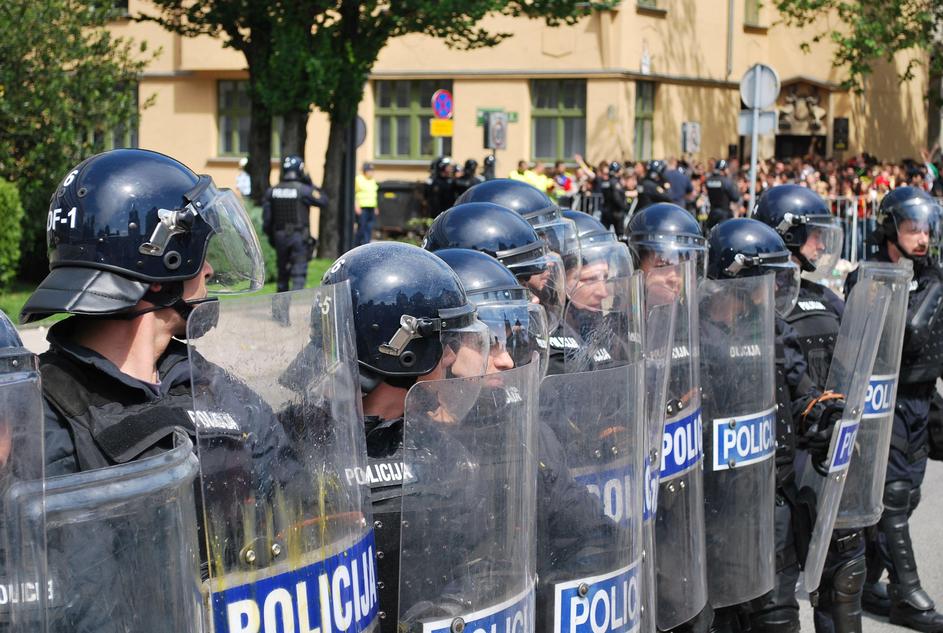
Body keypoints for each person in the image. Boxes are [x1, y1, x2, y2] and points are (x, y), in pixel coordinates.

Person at [322, 241, 536, 633]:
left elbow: (486, 562)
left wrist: (443, 611)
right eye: (445, 344)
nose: (451, 359)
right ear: (403, 351)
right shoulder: (301, 450)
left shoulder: (442, 452)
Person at [706, 218, 841, 633]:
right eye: (769, 279)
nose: (777, 289)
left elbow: (800, 390)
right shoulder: (693, 333)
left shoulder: (773, 328)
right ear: (738, 281)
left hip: (774, 500)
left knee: (778, 618)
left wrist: (822, 415)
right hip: (717, 509)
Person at [754, 185, 857, 633]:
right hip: (777, 467)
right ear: (785, 235)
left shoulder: (828, 299)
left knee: (842, 577)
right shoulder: (749, 304)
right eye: (812, 234)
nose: (820, 244)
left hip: (823, 455)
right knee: (773, 597)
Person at [849, 187, 943, 632]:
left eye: (926, 230)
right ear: (890, 230)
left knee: (909, 494)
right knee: (894, 496)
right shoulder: (868, 277)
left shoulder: (932, 275)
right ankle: (907, 594)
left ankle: (868, 578)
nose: (922, 238)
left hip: (922, 400)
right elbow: (909, 330)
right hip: (883, 400)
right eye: (912, 229)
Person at [261, 154, 328, 291]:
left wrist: (272, 237)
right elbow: (323, 200)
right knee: (298, 274)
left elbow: (267, 220)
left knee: (282, 275)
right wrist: (310, 183)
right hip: (298, 237)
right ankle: (297, 304)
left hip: (280, 236)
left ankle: (281, 305)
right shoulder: (303, 190)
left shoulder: (272, 191)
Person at [705, 160, 742, 231]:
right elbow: (736, 198)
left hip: (712, 213)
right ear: (724, 169)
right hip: (724, 214)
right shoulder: (726, 181)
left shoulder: (709, 180)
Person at [599, 161, 629, 237]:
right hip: (616, 212)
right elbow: (616, 198)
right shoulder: (615, 183)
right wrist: (625, 207)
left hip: (606, 211)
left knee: (604, 233)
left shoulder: (605, 182)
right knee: (619, 234)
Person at [355, 162, 379, 246]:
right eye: (369, 170)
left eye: (372, 170)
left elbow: (374, 194)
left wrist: (376, 207)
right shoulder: (358, 179)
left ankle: (366, 245)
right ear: (365, 171)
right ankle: (357, 245)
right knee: (361, 228)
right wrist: (356, 205)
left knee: (369, 228)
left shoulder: (372, 180)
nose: (371, 172)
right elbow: (354, 193)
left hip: (371, 207)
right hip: (362, 207)